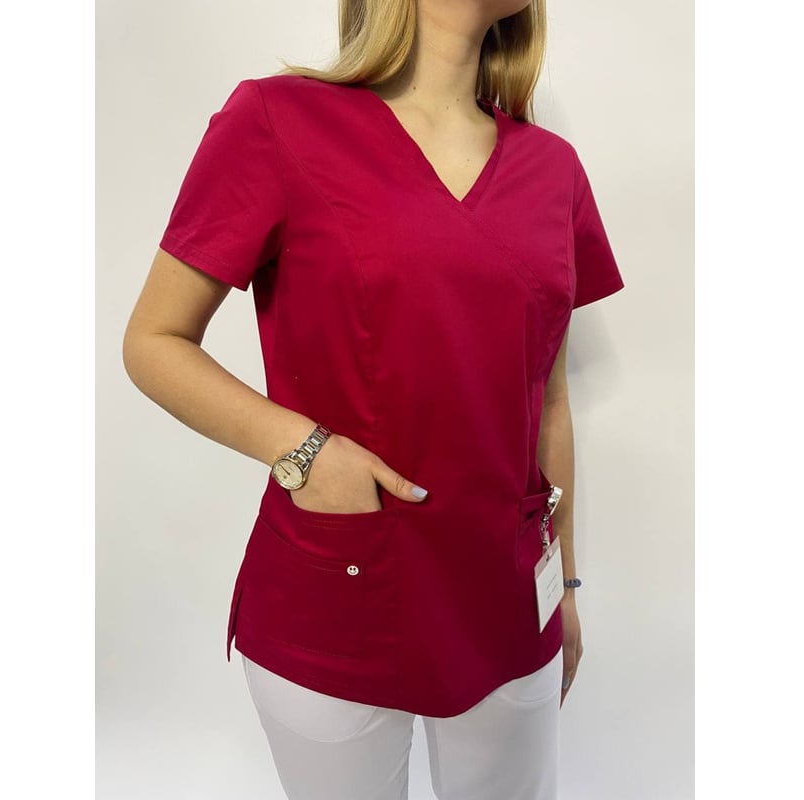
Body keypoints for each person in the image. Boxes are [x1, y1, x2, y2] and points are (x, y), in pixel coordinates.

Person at [122, 0, 624, 797]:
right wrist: (303, 450)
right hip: (339, 587)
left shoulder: (552, 169)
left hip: (504, 595)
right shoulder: (278, 122)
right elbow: (154, 340)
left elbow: (550, 402)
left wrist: (563, 586)